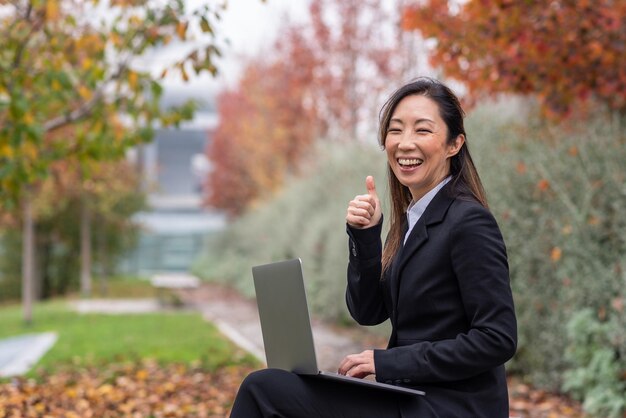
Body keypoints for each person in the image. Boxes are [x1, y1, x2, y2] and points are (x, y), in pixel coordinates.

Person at [230, 77, 517, 417]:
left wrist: (388, 363)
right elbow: (368, 311)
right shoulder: (414, 220)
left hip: (449, 406)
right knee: (271, 384)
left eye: (422, 131)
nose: (405, 143)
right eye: (396, 130)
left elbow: (497, 338)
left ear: (454, 145)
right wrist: (366, 235)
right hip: (410, 395)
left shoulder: (468, 221)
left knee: (264, 389)